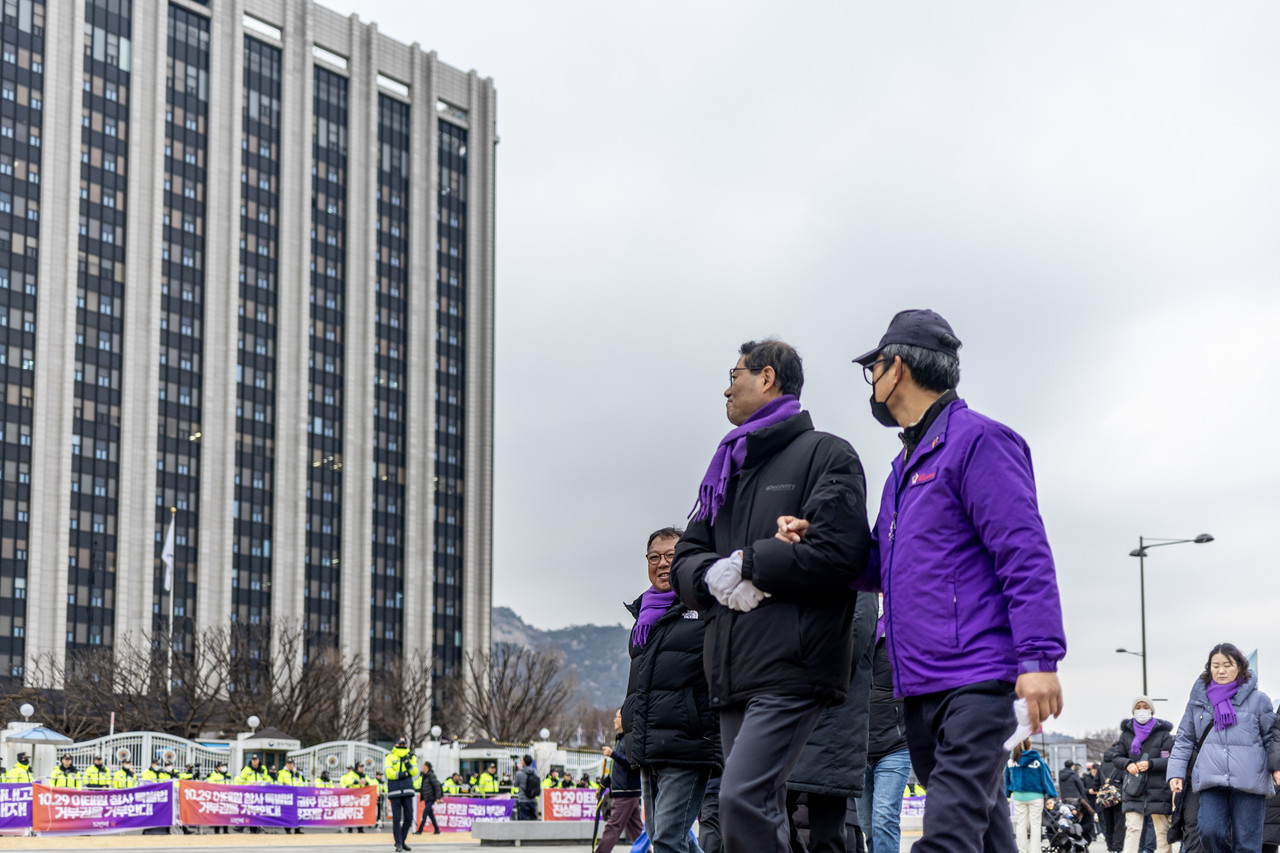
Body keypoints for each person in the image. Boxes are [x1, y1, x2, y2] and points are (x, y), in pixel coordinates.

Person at [833, 310, 1066, 853]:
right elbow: (878, 567)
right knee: (983, 832)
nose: (871, 382)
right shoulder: (902, 467)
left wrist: (1038, 660)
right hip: (919, 685)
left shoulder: (978, 442)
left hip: (976, 679)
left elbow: (1024, 552)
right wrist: (820, 541)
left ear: (897, 368)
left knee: (948, 833)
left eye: (873, 368)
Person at [672, 339, 871, 853]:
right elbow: (686, 556)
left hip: (794, 663)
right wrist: (713, 575)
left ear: (766, 377)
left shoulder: (828, 454)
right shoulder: (726, 471)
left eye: (733, 374)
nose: (725, 387)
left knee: (743, 798)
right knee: (753, 807)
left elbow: (840, 551)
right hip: (732, 669)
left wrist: (751, 563)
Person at [625, 526, 724, 853]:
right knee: (666, 839)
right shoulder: (644, 616)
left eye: (672, 555)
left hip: (689, 744)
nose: (662, 563)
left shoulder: (708, 606)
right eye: (655, 557)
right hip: (648, 744)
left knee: (668, 838)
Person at [785, 590, 878, 853]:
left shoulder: (859, 585)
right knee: (769, 816)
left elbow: (851, 645)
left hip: (835, 720)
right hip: (793, 715)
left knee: (827, 831)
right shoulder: (796, 570)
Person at [1167, 643, 1280, 853]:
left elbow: (1270, 738)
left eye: (1227, 665)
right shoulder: (1198, 701)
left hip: (1250, 780)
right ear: (1209, 668)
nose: (1220, 670)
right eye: (1215, 665)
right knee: (1209, 831)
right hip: (1212, 779)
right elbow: (1184, 738)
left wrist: (1276, 767)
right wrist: (1176, 772)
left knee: (1247, 842)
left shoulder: (1259, 700)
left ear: (1240, 667)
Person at [856, 615, 912, 853]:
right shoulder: (855, 633)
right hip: (859, 747)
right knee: (868, 825)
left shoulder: (904, 632)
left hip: (896, 745)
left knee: (884, 818)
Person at [596, 711, 643, 853]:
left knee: (613, 827)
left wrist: (613, 754)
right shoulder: (621, 741)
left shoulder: (629, 740)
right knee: (637, 831)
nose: (614, 720)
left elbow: (632, 764)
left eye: (617, 717)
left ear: (625, 720)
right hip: (627, 792)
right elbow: (617, 770)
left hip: (625, 793)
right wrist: (604, 785)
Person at [1005, 739, 1056, 853]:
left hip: (1018, 796)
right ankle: (1035, 850)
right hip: (1036, 797)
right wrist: (1051, 795)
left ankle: (1022, 850)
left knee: (1021, 824)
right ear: (1030, 746)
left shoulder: (1011, 762)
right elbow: (1046, 779)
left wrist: (1007, 794)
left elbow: (1007, 780)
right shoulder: (1038, 762)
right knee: (1035, 825)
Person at [384, 735, 419, 852]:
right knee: (397, 819)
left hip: (408, 791)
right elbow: (389, 773)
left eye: (404, 744)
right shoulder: (389, 757)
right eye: (400, 744)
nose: (402, 746)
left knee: (409, 817)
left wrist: (407, 764)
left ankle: (402, 840)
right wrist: (404, 774)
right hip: (395, 791)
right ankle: (398, 843)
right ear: (396, 744)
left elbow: (414, 771)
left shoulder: (411, 757)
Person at [414, 760, 443, 834]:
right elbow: (422, 787)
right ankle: (437, 830)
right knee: (431, 815)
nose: (422, 767)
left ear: (426, 767)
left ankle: (419, 831)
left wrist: (437, 798)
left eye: (423, 766)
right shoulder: (424, 776)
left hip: (431, 798)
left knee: (424, 814)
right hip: (426, 798)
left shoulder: (431, 775)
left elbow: (437, 787)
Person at [513, 756, 540, 821]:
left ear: (524, 762)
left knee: (524, 822)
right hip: (533, 800)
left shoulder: (519, 774)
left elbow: (515, 784)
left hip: (523, 800)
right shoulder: (535, 772)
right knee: (533, 821)